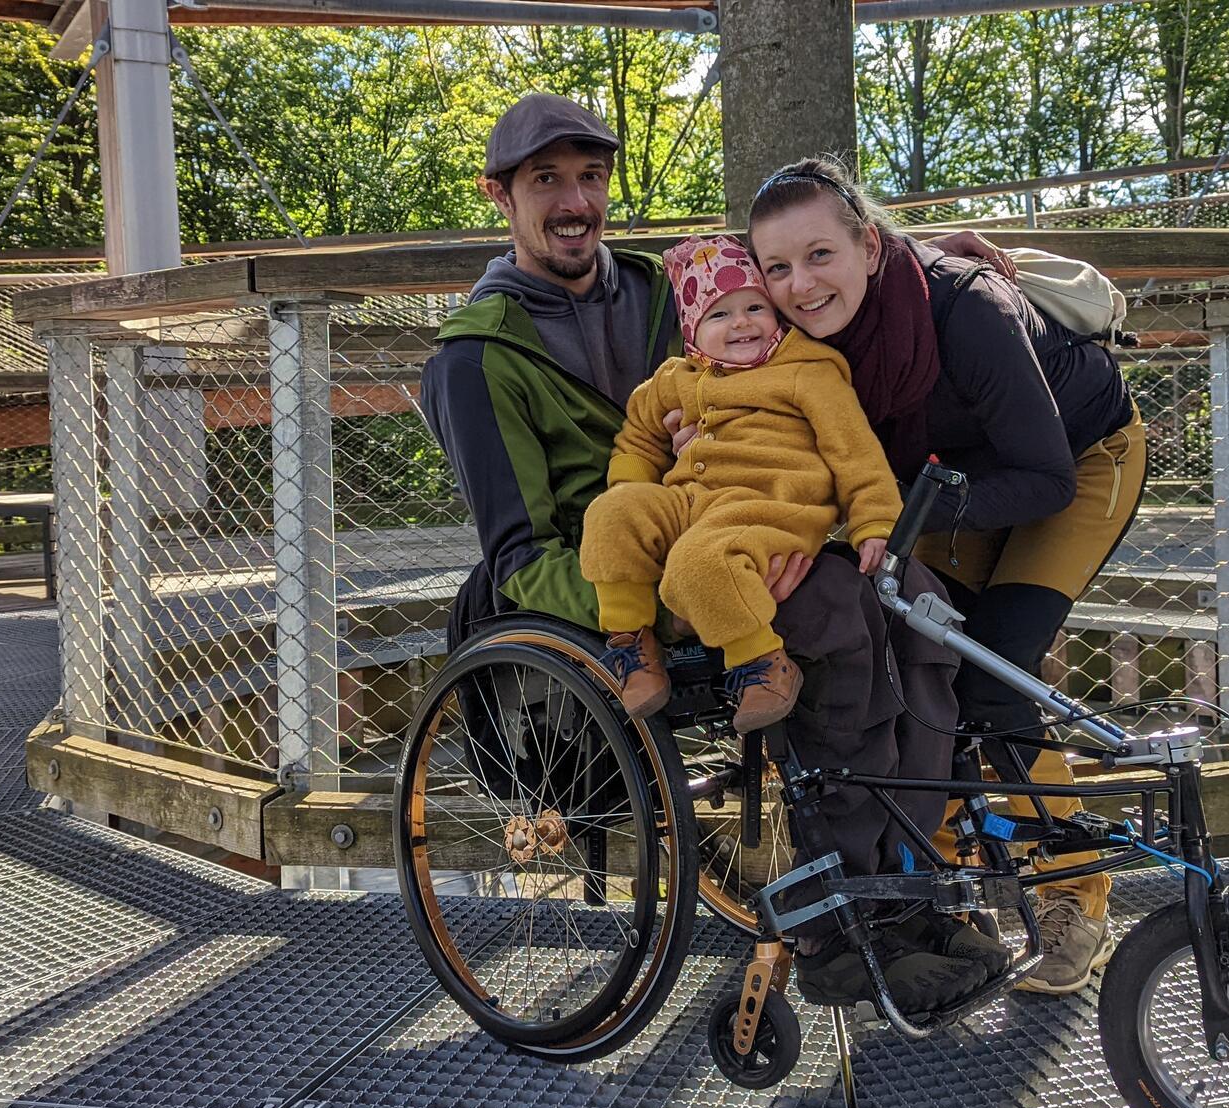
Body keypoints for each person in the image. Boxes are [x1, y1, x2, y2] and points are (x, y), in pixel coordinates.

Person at [419, 97, 1002, 1013]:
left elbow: (801, 254)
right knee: (833, 620)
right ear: (500, 195)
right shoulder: (473, 359)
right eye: (546, 181)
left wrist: (926, 254)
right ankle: (835, 928)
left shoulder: (664, 292)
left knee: (909, 599)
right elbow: (520, 559)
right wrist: (676, 585)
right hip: (634, 574)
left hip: (746, 520)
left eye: (591, 176)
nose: (576, 201)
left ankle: (909, 873)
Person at [747, 157, 1148, 996]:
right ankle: (958, 891)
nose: (799, 285)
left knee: (996, 680)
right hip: (952, 482)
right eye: (776, 267)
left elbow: (1045, 479)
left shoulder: (968, 308)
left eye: (820, 256)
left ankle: (1082, 898)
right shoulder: (802, 342)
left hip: (1072, 463)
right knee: (925, 661)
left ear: (867, 243)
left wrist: (898, 517)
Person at [581, 235, 903, 734]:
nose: (742, 323)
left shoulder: (805, 373)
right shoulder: (676, 378)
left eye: (755, 306)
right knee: (609, 515)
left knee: (699, 564)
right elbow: (639, 439)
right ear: (692, 330)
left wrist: (874, 520)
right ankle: (631, 643)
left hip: (771, 505)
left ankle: (762, 662)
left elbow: (854, 451)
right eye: (720, 315)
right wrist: (630, 488)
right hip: (692, 503)